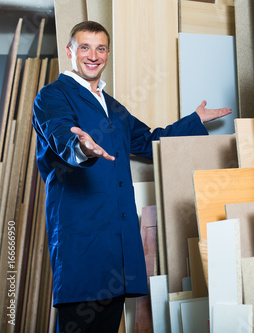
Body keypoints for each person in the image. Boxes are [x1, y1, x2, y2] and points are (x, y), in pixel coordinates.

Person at [32, 21, 231, 332]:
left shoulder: (113, 108)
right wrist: (82, 146)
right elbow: (61, 135)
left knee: (109, 323)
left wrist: (194, 121)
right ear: (70, 51)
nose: (92, 55)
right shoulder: (53, 96)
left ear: (108, 54)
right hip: (81, 236)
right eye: (84, 47)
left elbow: (148, 141)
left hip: (117, 239)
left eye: (100, 48)